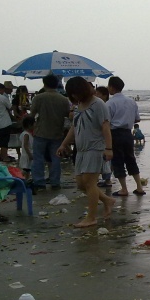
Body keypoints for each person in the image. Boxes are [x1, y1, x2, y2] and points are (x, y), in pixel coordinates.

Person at [57, 77, 115, 228]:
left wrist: (109, 148)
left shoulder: (98, 104)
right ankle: (107, 200)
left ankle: (91, 217)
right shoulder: (79, 105)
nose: (74, 96)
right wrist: (63, 144)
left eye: (76, 93)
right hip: (81, 150)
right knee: (81, 184)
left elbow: (105, 127)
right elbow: (74, 127)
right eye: (72, 94)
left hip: (95, 148)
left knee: (90, 183)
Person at [30, 74, 71, 190]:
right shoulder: (64, 100)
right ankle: (55, 181)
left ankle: (39, 182)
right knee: (56, 158)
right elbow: (68, 115)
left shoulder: (38, 98)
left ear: (44, 84)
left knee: (38, 158)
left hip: (41, 132)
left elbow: (32, 114)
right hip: (57, 132)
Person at [107, 76, 145, 197]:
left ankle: (124, 188)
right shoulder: (131, 101)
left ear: (112, 87)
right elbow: (137, 119)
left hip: (115, 133)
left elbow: (106, 122)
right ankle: (139, 187)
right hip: (128, 133)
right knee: (131, 159)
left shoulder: (110, 103)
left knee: (118, 161)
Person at [94, 87, 112, 188]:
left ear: (105, 95)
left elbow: (106, 124)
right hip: (101, 135)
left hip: (104, 135)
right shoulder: (98, 105)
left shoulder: (105, 106)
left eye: (98, 94)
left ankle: (107, 179)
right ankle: (104, 178)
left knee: (105, 159)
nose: (95, 95)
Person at [0, 83, 14, 162]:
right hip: (4, 123)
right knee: (4, 142)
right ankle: (4, 157)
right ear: (0, 89)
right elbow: (10, 107)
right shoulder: (2, 97)